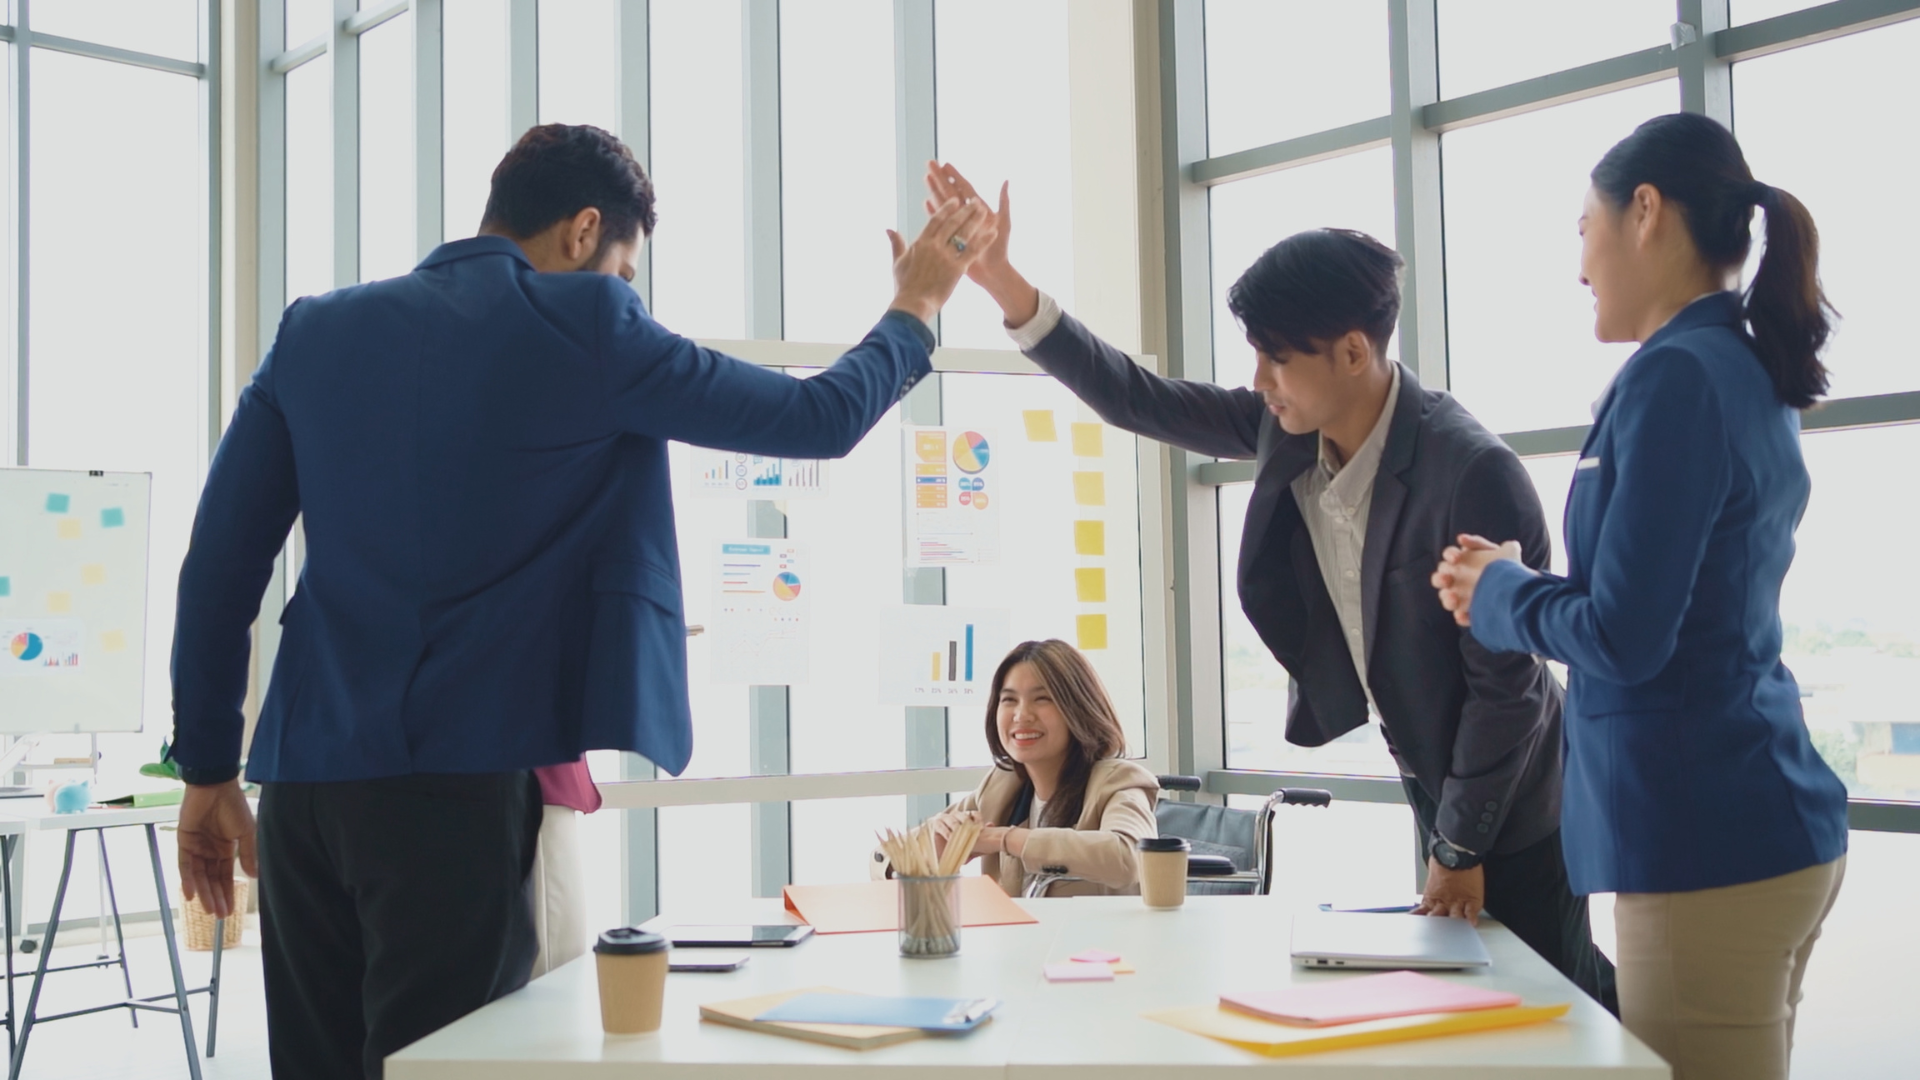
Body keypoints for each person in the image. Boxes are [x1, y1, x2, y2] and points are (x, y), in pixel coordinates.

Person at [165, 123, 995, 1079]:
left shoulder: (317, 329)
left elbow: (218, 567)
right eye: (626, 267)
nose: (626, 289)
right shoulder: (590, 325)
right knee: (445, 1067)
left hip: (305, 787)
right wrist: (918, 304)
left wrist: (208, 769)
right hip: (456, 797)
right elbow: (818, 416)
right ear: (582, 230)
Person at [926, 162, 1617, 1012]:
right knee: (1480, 1006)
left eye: (1277, 359)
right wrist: (1002, 280)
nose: (1259, 381)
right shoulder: (1291, 426)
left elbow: (1505, 695)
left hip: (1516, 789)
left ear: (1354, 351)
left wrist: (1460, 846)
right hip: (1435, 773)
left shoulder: (1471, 474)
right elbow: (1135, 397)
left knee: (1554, 1003)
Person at [1432, 113, 1848, 1080]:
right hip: (1756, 821)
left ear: (1646, 213)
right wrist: (1518, 581)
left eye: (1586, 227)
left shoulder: (1674, 378)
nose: (1580, 262)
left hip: (1703, 842)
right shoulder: (1739, 366)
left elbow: (1624, 635)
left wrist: (1500, 592)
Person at [877, 639, 1158, 896]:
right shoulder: (1002, 786)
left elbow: (1130, 857)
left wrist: (1004, 839)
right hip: (1021, 946)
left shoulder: (1119, 782)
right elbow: (883, 858)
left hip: (1096, 949)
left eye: (1042, 699)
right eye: (1009, 700)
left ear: (1078, 708)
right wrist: (933, 844)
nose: (1022, 715)